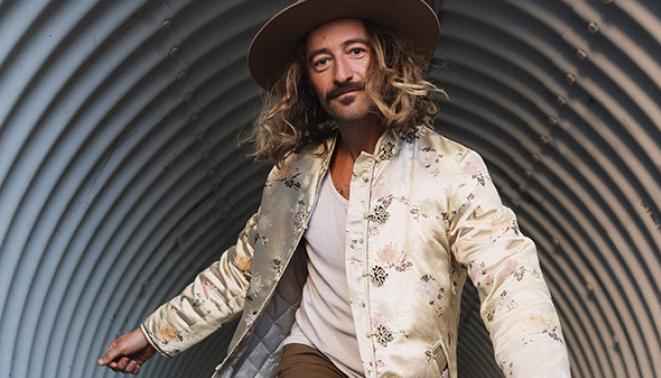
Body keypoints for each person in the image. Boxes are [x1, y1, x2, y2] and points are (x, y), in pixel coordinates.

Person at [98, 1, 571, 377]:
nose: (342, 73)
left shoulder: (451, 169)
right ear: (306, 80)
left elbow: (510, 279)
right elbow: (244, 268)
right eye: (322, 61)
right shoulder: (293, 177)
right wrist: (153, 333)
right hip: (313, 357)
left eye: (356, 52)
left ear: (385, 60)